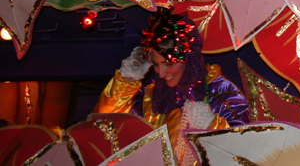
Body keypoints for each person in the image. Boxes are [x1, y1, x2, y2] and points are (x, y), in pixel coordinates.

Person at [95, 9, 249, 165]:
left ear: (189, 58)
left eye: (169, 63)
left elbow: (243, 153)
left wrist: (210, 126)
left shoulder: (222, 93)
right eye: (156, 64)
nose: (161, 73)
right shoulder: (150, 98)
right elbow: (105, 132)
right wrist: (125, 82)